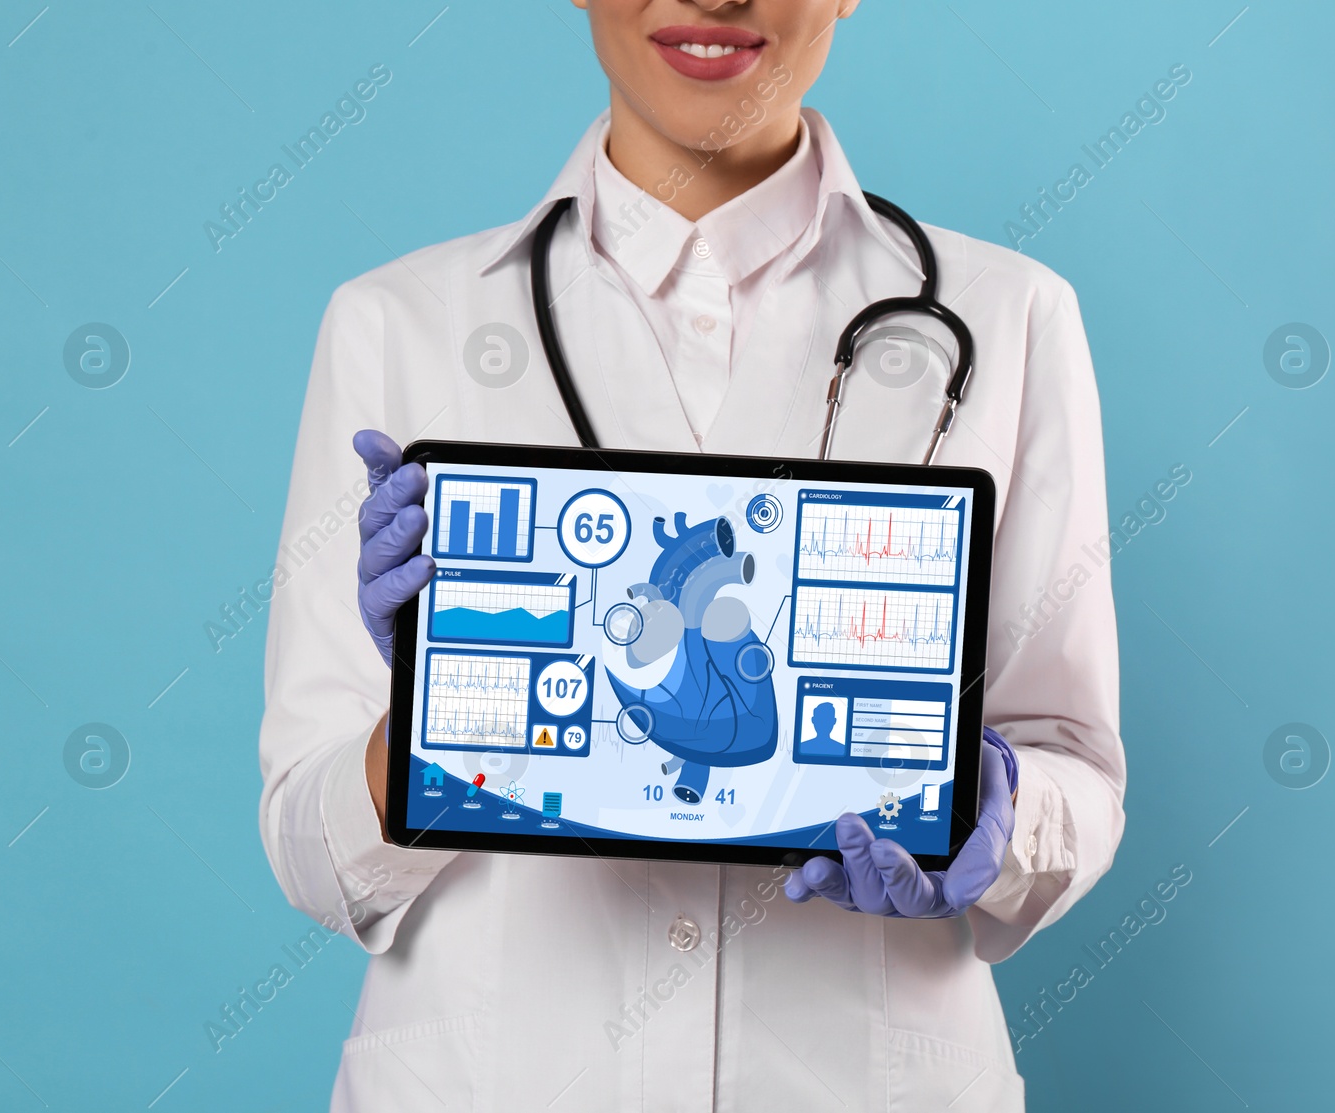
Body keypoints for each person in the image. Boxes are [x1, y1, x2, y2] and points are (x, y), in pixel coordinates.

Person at [258, 1, 1125, 1108]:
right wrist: (442, 716)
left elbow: (1078, 778)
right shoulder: (397, 324)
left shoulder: (1010, 320)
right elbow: (309, 853)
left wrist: (990, 817)